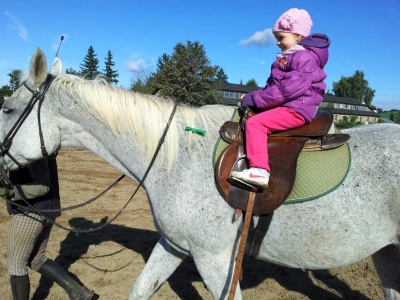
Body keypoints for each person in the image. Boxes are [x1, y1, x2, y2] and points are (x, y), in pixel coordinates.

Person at [231, 8, 330, 188]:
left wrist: (253, 99)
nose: (277, 42)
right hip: (291, 105)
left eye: (281, 37)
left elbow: (283, 92)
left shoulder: (304, 58)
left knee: (255, 123)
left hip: (296, 108)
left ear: (298, 36)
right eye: (276, 38)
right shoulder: (288, 59)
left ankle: (259, 169)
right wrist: (255, 96)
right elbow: (272, 89)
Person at [0, 154, 96, 300]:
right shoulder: (36, 143)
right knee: (37, 259)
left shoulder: (33, 146)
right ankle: (79, 293)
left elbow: (42, 186)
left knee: (16, 266)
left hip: (31, 212)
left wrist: (10, 192)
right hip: (44, 210)